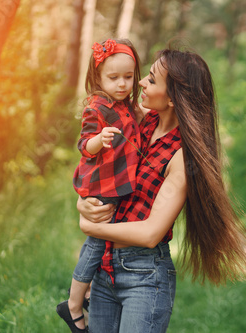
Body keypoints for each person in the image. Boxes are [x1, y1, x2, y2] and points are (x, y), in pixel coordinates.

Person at [77, 47, 246, 333]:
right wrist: (84, 203)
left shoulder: (182, 157)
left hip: (144, 278)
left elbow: (150, 234)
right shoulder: (140, 125)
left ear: (172, 98)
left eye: (151, 79)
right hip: (105, 269)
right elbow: (102, 174)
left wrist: (91, 227)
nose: (140, 83)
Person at [56, 38, 142, 333]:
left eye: (128, 77)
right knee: (95, 242)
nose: (122, 84)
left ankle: (91, 290)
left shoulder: (124, 105)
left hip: (114, 183)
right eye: (113, 77)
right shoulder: (98, 107)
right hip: (102, 184)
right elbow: (84, 144)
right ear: (98, 78)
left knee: (101, 241)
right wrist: (99, 140)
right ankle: (73, 304)